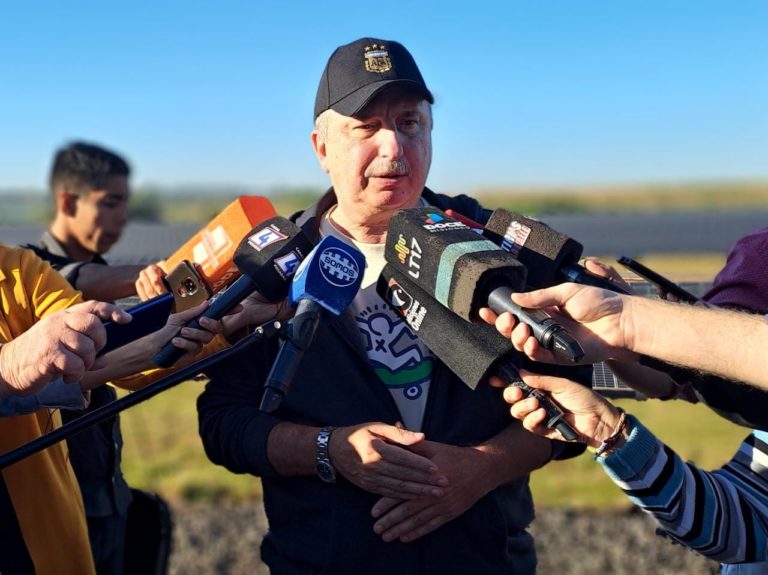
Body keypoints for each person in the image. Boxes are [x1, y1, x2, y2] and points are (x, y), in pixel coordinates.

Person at [198, 37, 591, 575]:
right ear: (321, 147)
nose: (393, 149)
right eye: (365, 127)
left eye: (410, 124)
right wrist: (327, 450)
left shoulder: (498, 246)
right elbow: (224, 426)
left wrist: (481, 470)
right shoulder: (269, 270)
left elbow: (576, 399)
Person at [0, 244, 218, 575]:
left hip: (43, 541)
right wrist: (9, 364)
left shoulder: (17, 269)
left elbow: (97, 350)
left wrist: (202, 335)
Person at [22, 141, 162, 574]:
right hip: (54, 501)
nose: (123, 217)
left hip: (107, 491)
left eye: (126, 203)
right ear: (68, 201)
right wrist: (165, 274)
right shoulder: (33, 272)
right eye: (111, 203)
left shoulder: (97, 270)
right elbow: (84, 281)